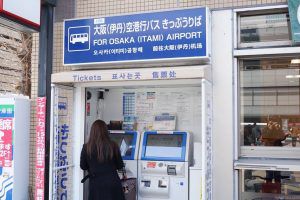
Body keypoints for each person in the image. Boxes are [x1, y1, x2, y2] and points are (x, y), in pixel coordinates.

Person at [80, 120, 126, 200]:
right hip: (112, 182)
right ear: (106, 131)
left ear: (92, 132)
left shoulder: (86, 147)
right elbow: (120, 165)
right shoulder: (113, 145)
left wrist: (92, 167)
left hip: (96, 183)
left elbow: (83, 166)